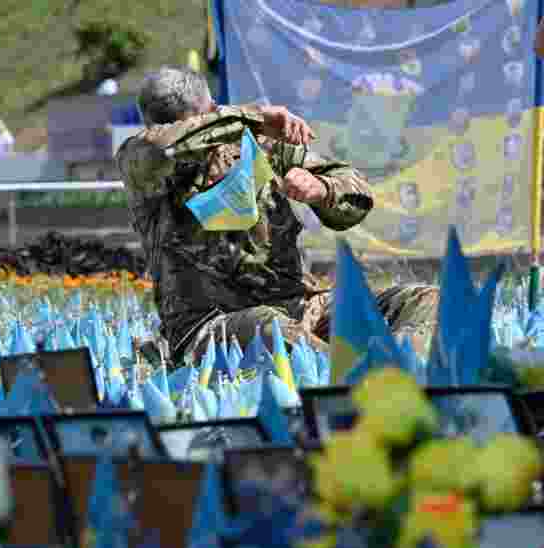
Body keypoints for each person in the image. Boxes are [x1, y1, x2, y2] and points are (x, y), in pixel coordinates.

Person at [115, 67, 438, 366]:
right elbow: (166, 145)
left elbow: (356, 192)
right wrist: (252, 116)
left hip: (302, 308)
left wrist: (322, 188)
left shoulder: (258, 144)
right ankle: (357, 376)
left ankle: (403, 366)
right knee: (269, 327)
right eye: (202, 124)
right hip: (211, 328)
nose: (209, 136)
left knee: (424, 299)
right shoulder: (143, 162)